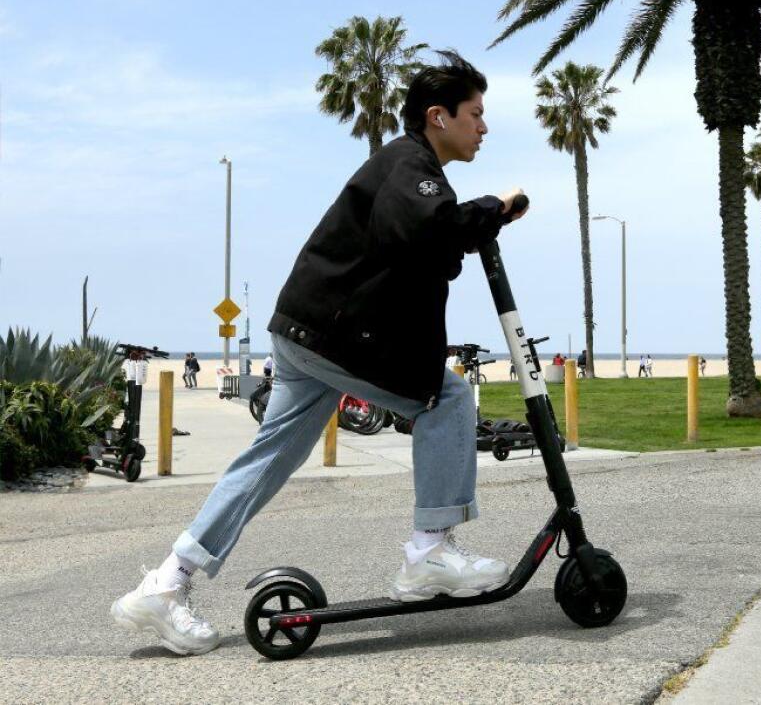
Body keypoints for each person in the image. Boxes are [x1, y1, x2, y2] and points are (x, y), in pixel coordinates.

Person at [111, 52, 527, 656]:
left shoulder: (409, 171)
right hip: (330, 337)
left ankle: (165, 583)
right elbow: (431, 233)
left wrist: (480, 221)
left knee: (267, 460)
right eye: (475, 114)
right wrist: (497, 206)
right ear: (439, 117)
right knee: (451, 397)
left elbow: (422, 248)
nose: (484, 127)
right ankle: (430, 550)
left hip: (307, 332)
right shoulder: (411, 165)